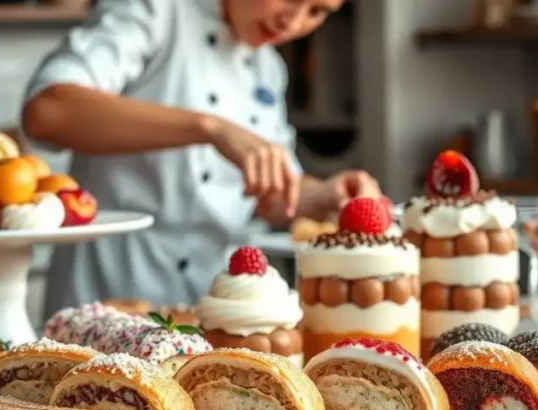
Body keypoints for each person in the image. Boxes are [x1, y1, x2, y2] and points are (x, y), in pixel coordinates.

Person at [22, 0, 383, 315]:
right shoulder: (156, 10)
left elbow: (270, 193)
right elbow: (47, 112)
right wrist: (210, 128)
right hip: (109, 295)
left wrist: (323, 196)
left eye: (317, 11)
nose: (293, 21)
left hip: (212, 308)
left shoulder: (267, 69)